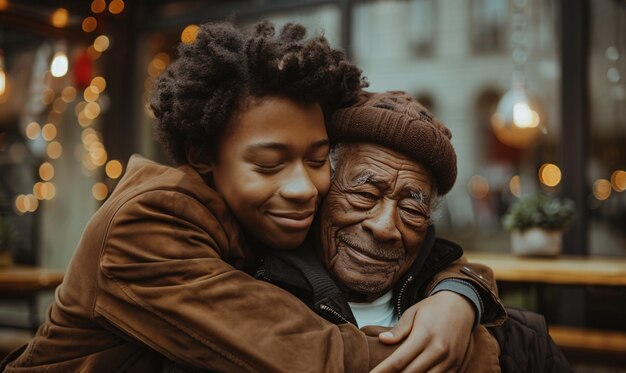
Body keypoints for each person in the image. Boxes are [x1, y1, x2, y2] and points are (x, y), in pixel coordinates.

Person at [2, 22, 495, 372]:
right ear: (202, 155)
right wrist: (489, 345)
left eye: (318, 159)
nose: (303, 188)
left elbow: (428, 251)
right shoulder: (146, 225)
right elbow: (321, 359)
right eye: (268, 163)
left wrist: (460, 296)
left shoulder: (258, 216)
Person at [258, 90, 570, 372]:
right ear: (322, 189)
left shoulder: (517, 341)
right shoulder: (256, 311)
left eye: (411, 210)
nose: (385, 228)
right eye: (365, 195)